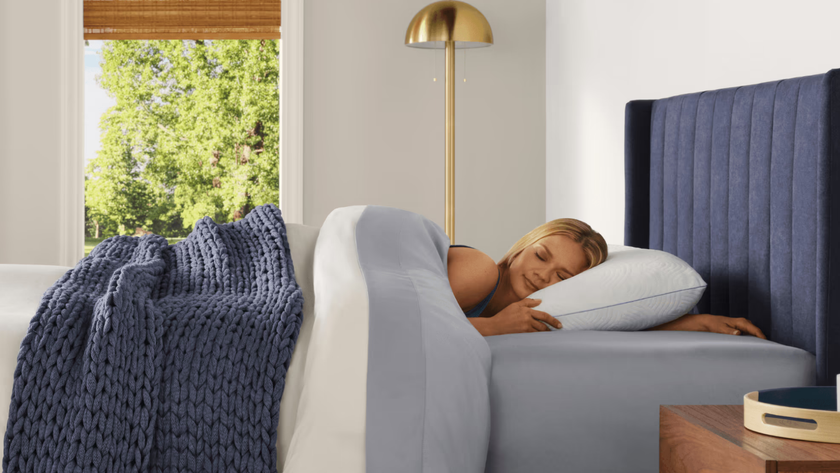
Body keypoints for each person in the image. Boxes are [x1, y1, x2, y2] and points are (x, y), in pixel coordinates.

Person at [448, 218, 767, 338]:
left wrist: (702, 322)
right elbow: (408, 323)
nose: (542, 275)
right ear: (521, 249)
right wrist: (493, 327)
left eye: (562, 276)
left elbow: (610, 316)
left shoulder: (530, 315)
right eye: (541, 255)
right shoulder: (480, 270)